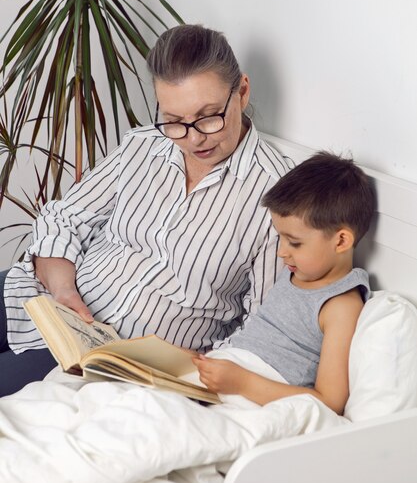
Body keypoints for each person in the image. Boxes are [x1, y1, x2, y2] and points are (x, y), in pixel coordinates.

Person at [0, 24, 289, 396]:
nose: (194, 137)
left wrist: (185, 365)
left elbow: (259, 330)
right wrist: (62, 290)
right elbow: (65, 217)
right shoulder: (142, 147)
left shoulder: (278, 198)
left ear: (243, 92)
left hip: (107, 363)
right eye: (174, 121)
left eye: (208, 116)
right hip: (44, 297)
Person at [193, 152, 376, 415]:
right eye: (280, 237)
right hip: (227, 372)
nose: (281, 252)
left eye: (295, 242)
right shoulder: (296, 271)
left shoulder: (340, 306)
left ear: (341, 241)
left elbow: (330, 401)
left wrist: (242, 382)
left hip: (258, 395)